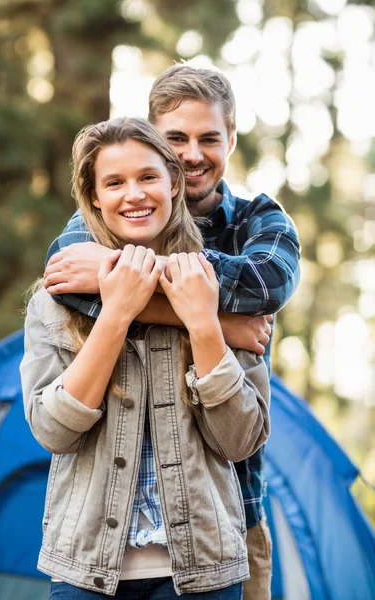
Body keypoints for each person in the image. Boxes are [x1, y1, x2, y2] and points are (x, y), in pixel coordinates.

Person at [43, 65, 301, 600]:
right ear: (153, 145)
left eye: (209, 138)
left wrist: (127, 278)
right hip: (101, 533)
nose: (192, 153)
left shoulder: (259, 220)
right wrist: (215, 318)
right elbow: (65, 284)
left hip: (232, 510)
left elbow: (267, 282)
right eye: (175, 139)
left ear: (230, 139)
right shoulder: (97, 219)